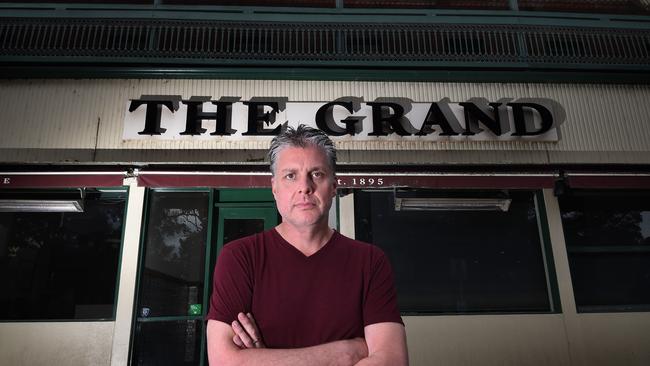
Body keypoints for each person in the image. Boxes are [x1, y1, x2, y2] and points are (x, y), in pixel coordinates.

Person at [206, 124, 408, 366]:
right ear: (274, 188)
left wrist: (264, 359)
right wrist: (345, 353)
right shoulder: (240, 257)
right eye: (290, 175)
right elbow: (224, 361)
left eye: (317, 174)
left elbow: (392, 360)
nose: (305, 187)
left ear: (334, 186)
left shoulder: (370, 262)